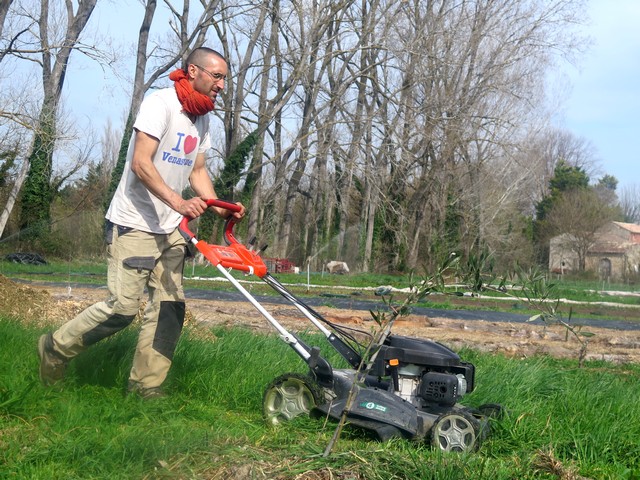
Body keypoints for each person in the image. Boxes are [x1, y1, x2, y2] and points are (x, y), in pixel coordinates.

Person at [37, 47, 245, 399]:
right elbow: (141, 164)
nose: (222, 85)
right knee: (122, 308)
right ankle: (56, 348)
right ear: (193, 71)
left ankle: (145, 386)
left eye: (225, 78)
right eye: (217, 76)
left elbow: (197, 171)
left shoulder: (203, 118)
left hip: (171, 229)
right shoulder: (160, 104)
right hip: (134, 223)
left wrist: (220, 208)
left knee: (169, 307)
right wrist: (179, 201)